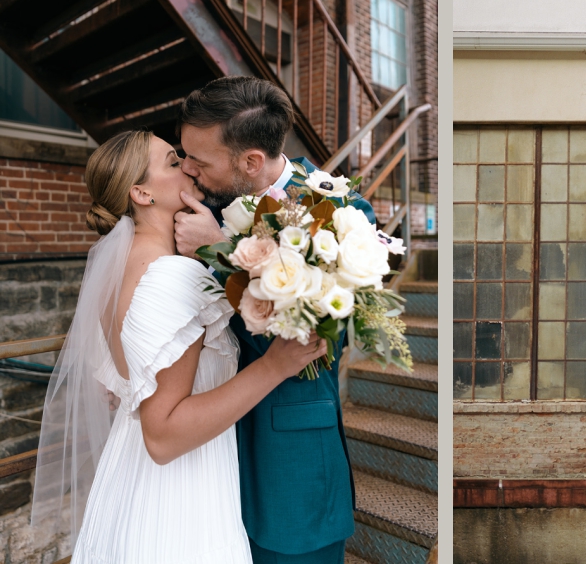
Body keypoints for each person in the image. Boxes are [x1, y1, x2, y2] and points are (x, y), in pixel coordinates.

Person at [29, 130, 326, 562]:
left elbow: (127, 388)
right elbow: (164, 437)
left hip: (129, 481)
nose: (187, 166)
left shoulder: (118, 272)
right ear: (141, 193)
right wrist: (275, 366)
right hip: (179, 500)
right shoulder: (170, 276)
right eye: (172, 161)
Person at [172, 76, 374, 562]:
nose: (187, 169)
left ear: (250, 162)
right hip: (204, 450)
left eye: (199, 160)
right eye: (183, 155)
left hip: (287, 455)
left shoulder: (345, 216)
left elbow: (308, 339)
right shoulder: (206, 202)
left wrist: (217, 248)